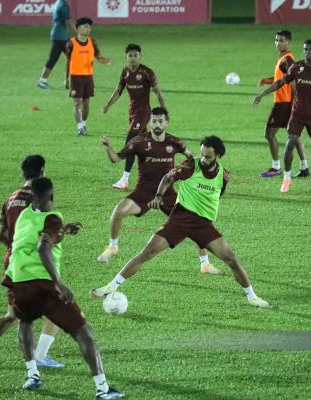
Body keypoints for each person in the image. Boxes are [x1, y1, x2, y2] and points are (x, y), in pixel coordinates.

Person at [90, 136, 271, 309]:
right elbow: (168, 178)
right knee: (147, 252)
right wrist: (159, 196)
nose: (203, 159)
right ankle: (111, 287)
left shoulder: (223, 176)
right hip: (179, 219)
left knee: (230, 258)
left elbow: (218, 194)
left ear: (217, 155)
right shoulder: (191, 166)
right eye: (202, 154)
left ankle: (252, 297)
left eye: (208, 157)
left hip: (202, 224)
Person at [7, 177, 124, 399]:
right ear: (51, 195)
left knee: (25, 321)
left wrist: (62, 230)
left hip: (19, 282)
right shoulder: (53, 217)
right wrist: (57, 282)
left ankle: (32, 375)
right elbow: (43, 247)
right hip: (44, 285)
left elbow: (36, 234)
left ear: (33, 197)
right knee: (84, 333)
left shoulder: (24, 216)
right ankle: (102, 389)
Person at [0, 155, 63, 368]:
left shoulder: (10, 199)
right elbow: (46, 232)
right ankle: (40, 356)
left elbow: (0, 234)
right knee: (57, 307)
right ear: (42, 171)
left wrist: (14, 248)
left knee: (13, 315)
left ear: (23, 173)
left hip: (13, 263)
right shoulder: (38, 198)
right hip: (35, 263)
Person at [97, 108, 221, 274]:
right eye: (154, 121)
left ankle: (205, 264)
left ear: (166, 122)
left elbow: (192, 159)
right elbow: (116, 158)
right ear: (149, 122)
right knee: (118, 211)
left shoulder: (175, 142)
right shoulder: (139, 142)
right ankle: (113, 246)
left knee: (197, 221)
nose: (157, 124)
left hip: (168, 194)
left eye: (161, 121)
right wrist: (108, 148)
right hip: (144, 192)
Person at [253, 39, 311, 194]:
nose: (308, 52)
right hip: (297, 113)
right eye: (305, 49)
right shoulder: (296, 67)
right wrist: (263, 94)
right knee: (290, 142)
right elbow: (280, 82)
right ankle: (286, 179)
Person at [102, 44, 166, 189]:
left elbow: (158, 92)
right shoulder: (125, 72)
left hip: (143, 113)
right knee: (145, 146)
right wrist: (108, 105)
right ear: (126, 57)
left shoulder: (147, 72)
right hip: (132, 113)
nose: (133, 58)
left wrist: (163, 111)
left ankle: (125, 179)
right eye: (130, 55)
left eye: (135, 55)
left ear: (140, 56)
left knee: (131, 143)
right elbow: (118, 91)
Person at [257, 30, 310, 179]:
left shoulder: (287, 59)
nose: (278, 43)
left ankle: (275, 167)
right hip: (286, 102)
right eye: (276, 40)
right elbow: (281, 78)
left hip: (283, 103)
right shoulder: (283, 58)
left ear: (288, 42)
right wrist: (266, 80)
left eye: (281, 40)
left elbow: (293, 79)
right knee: (294, 134)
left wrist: (295, 101)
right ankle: (304, 167)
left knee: (269, 134)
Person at [65, 17, 111, 136]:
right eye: (85, 26)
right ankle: (79, 127)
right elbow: (68, 61)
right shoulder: (71, 43)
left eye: (89, 27)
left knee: (86, 102)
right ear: (78, 28)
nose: (88, 29)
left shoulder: (92, 42)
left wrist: (105, 60)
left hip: (88, 77)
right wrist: (66, 79)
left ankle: (84, 123)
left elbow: (98, 57)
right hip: (76, 77)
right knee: (77, 102)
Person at [37, 0, 76, 89]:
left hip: (61, 35)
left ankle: (68, 80)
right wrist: (78, 32)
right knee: (54, 58)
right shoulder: (63, 5)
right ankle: (42, 81)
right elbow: (68, 21)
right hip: (60, 37)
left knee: (72, 57)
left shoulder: (58, 2)